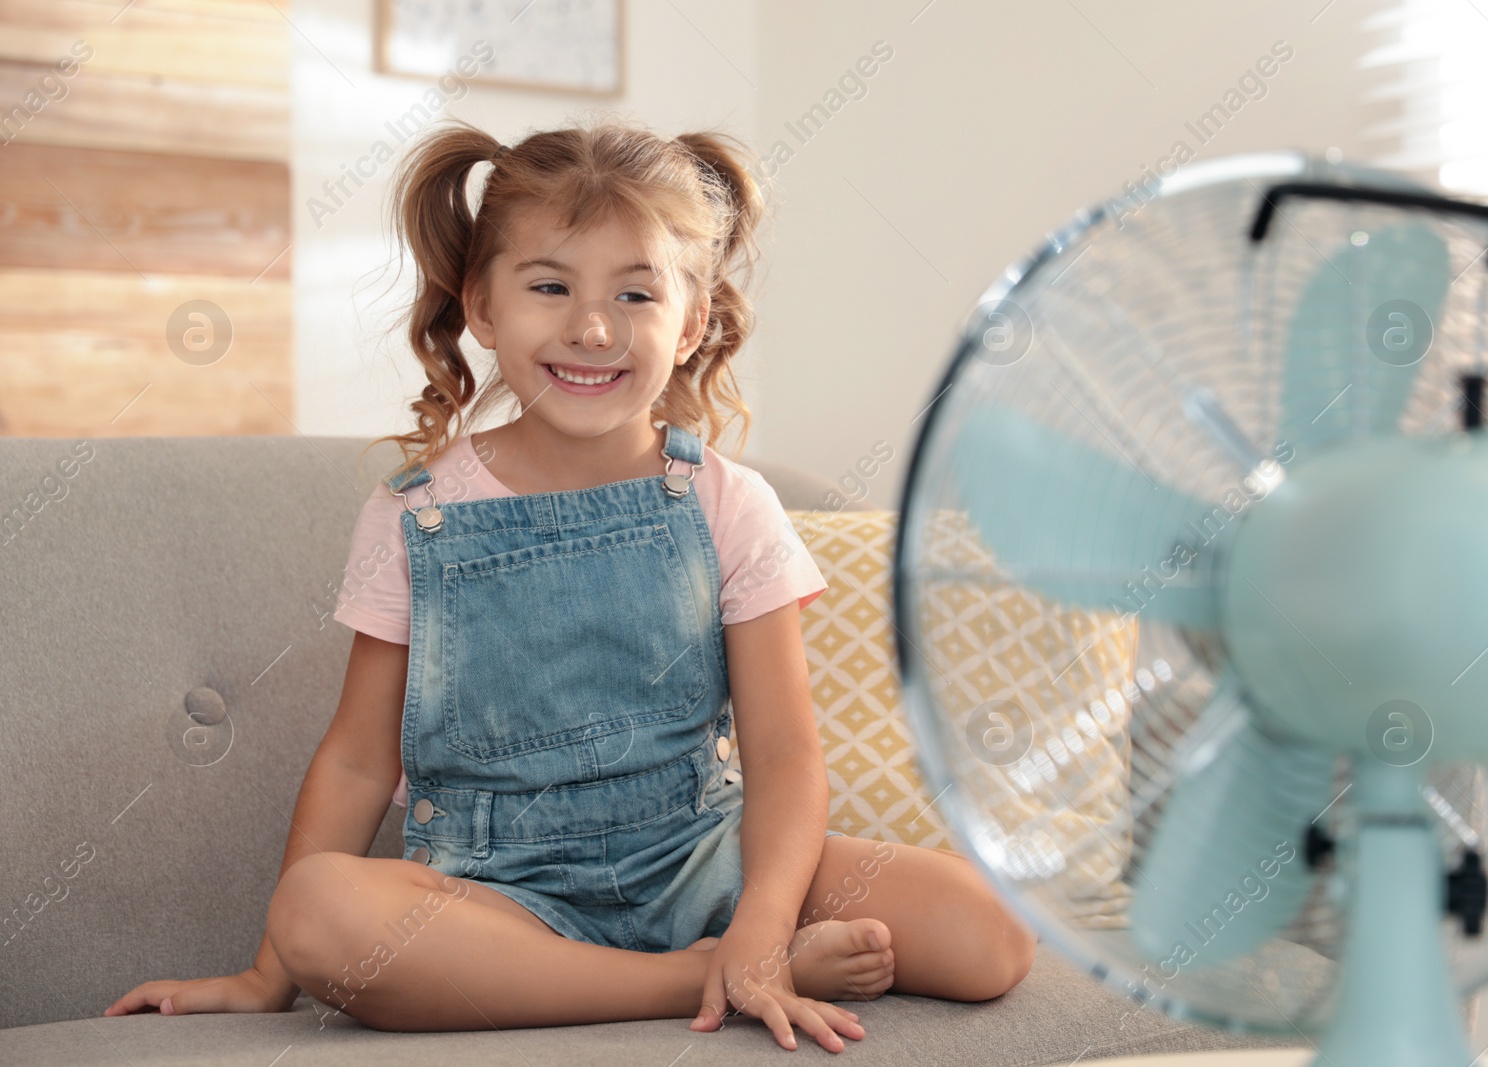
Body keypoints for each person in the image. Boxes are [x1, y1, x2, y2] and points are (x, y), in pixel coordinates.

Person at [104, 116, 1035, 1052]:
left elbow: (788, 755)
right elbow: (355, 758)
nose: (593, 327)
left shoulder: (726, 503)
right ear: (482, 308)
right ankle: (692, 980)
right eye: (550, 286)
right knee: (320, 913)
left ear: (692, 321)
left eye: (637, 292)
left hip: (699, 856)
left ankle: (734, 951)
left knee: (987, 932)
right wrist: (271, 974)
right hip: (497, 891)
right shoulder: (413, 516)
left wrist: (759, 917)